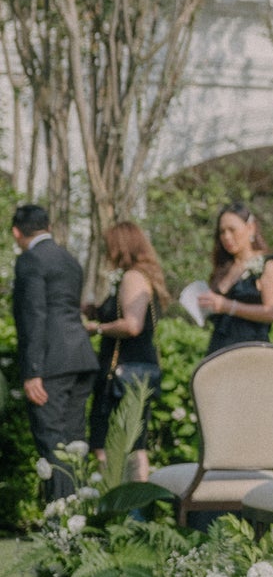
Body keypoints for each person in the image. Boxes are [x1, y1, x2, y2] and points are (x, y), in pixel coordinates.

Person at [12, 203, 98, 502]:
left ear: (16, 232)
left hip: (51, 362)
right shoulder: (70, 260)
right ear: (47, 227)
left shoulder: (30, 260)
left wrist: (32, 371)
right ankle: (82, 517)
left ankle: (61, 523)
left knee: (52, 441)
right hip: (81, 358)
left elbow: (33, 316)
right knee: (75, 441)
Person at [85, 221, 168, 485]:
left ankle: (124, 508)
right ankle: (132, 511)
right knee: (133, 443)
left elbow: (133, 325)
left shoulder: (133, 277)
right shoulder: (139, 276)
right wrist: (98, 310)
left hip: (121, 375)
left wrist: (97, 328)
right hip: (134, 371)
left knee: (115, 444)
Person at [199, 203, 273, 357]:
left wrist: (229, 307)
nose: (227, 237)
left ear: (250, 228)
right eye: (222, 232)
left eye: (232, 230)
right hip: (219, 348)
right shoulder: (225, 268)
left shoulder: (267, 265)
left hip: (250, 349)